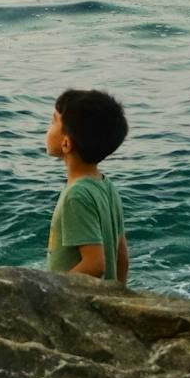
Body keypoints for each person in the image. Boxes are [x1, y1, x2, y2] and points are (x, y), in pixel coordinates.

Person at [44, 88, 129, 284]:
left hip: (72, 300)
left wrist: (48, 289)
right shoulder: (106, 186)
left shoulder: (76, 195)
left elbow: (95, 264)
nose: (47, 128)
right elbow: (121, 255)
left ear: (66, 144)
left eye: (53, 121)